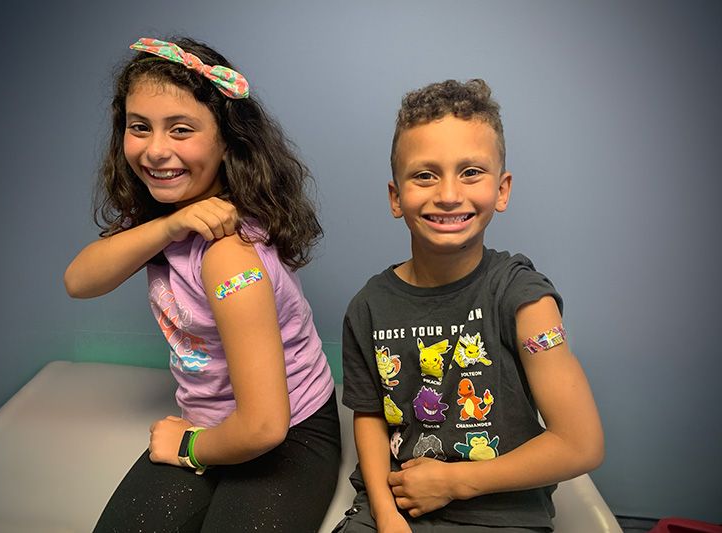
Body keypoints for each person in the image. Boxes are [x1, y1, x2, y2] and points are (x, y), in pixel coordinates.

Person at [64, 36, 340, 532]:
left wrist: (187, 447)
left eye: (181, 129)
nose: (155, 149)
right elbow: (79, 281)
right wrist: (172, 223)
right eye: (139, 127)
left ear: (227, 140)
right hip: (213, 421)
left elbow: (263, 427)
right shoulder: (171, 222)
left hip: (289, 432)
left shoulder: (228, 257)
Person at [336, 79, 604, 532]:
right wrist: (384, 514)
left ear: (502, 190)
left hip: (500, 515)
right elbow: (370, 417)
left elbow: (581, 444)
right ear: (396, 197)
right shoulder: (368, 306)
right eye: (425, 175)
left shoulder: (524, 300)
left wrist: (457, 482)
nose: (448, 194)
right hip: (394, 510)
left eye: (471, 172)